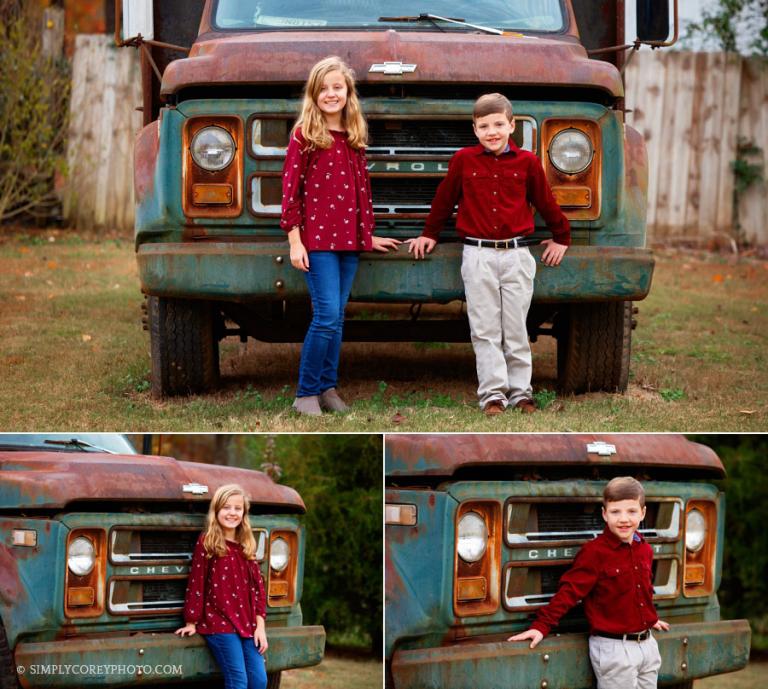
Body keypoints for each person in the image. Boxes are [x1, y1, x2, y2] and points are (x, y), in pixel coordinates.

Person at [408, 93, 570, 416]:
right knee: (484, 329)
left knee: (515, 329)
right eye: (484, 126)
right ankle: (492, 396)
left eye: (498, 124)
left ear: (512, 125)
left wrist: (561, 237)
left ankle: (521, 394)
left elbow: (546, 202)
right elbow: (444, 201)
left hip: (516, 254)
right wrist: (429, 234)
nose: (492, 131)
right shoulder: (463, 161)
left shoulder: (527, 163)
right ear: (475, 129)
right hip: (477, 255)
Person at [281, 56, 400, 416]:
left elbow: (361, 192)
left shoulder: (353, 138)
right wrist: (295, 241)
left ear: (348, 93)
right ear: (313, 94)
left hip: (349, 241)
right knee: (326, 315)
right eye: (324, 89)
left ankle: (327, 388)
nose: (331, 94)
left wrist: (369, 237)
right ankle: (305, 394)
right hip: (317, 243)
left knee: (338, 316)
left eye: (338, 88)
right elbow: (290, 192)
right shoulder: (305, 136)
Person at [508, 477, 670, 689]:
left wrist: (649, 618)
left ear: (643, 513)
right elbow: (570, 591)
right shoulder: (594, 553)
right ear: (604, 514)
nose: (624, 519)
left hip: (647, 645)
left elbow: (643, 589)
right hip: (614, 649)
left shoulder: (644, 549)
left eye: (631, 511)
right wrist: (541, 626)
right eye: (615, 512)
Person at [175, 484, 268, 689]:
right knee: (238, 682)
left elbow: (258, 589)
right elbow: (196, 582)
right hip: (219, 623)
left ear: (244, 513)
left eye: (237, 508)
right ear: (216, 510)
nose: (232, 513)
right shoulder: (208, 542)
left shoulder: (247, 546)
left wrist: (260, 627)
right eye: (226, 507)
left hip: (247, 624)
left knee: (259, 681)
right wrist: (191, 621)